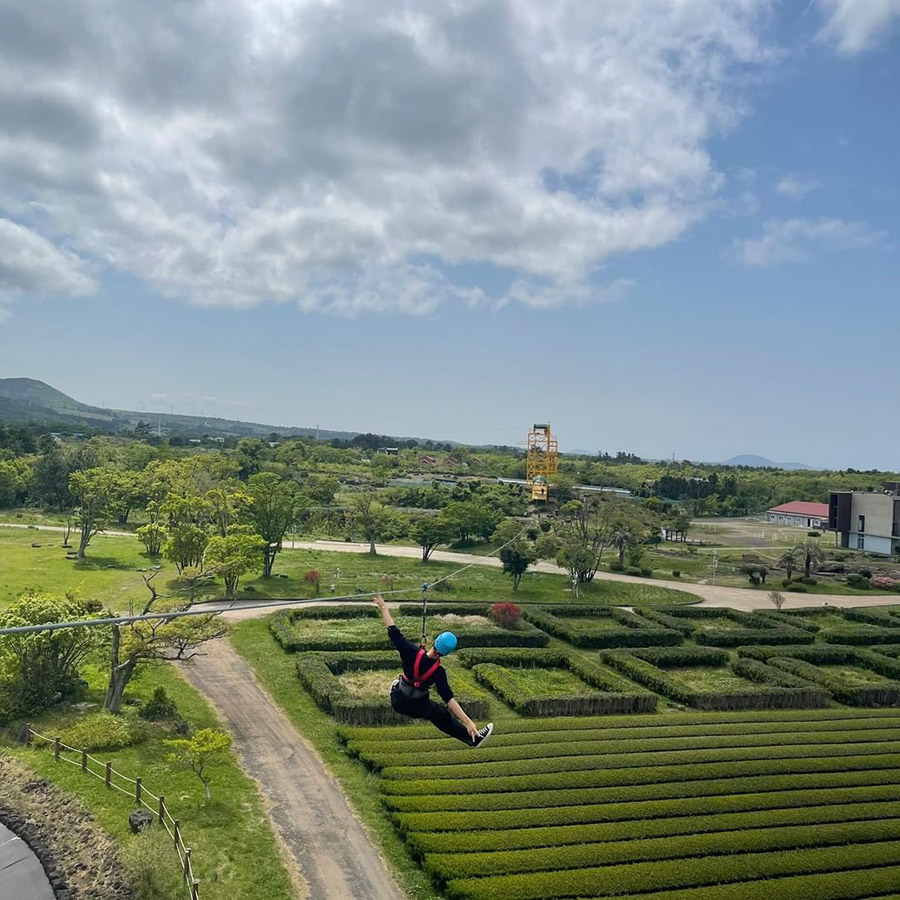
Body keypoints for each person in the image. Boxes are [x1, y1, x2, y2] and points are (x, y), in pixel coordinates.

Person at [373, 594, 493, 747]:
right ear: (446, 653)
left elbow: (393, 631)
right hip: (418, 707)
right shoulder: (439, 673)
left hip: (398, 701)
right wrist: (468, 722)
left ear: (435, 641)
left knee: (397, 683)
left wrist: (384, 608)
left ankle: (395, 686)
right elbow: (449, 699)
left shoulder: (410, 652)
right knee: (441, 714)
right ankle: (472, 739)